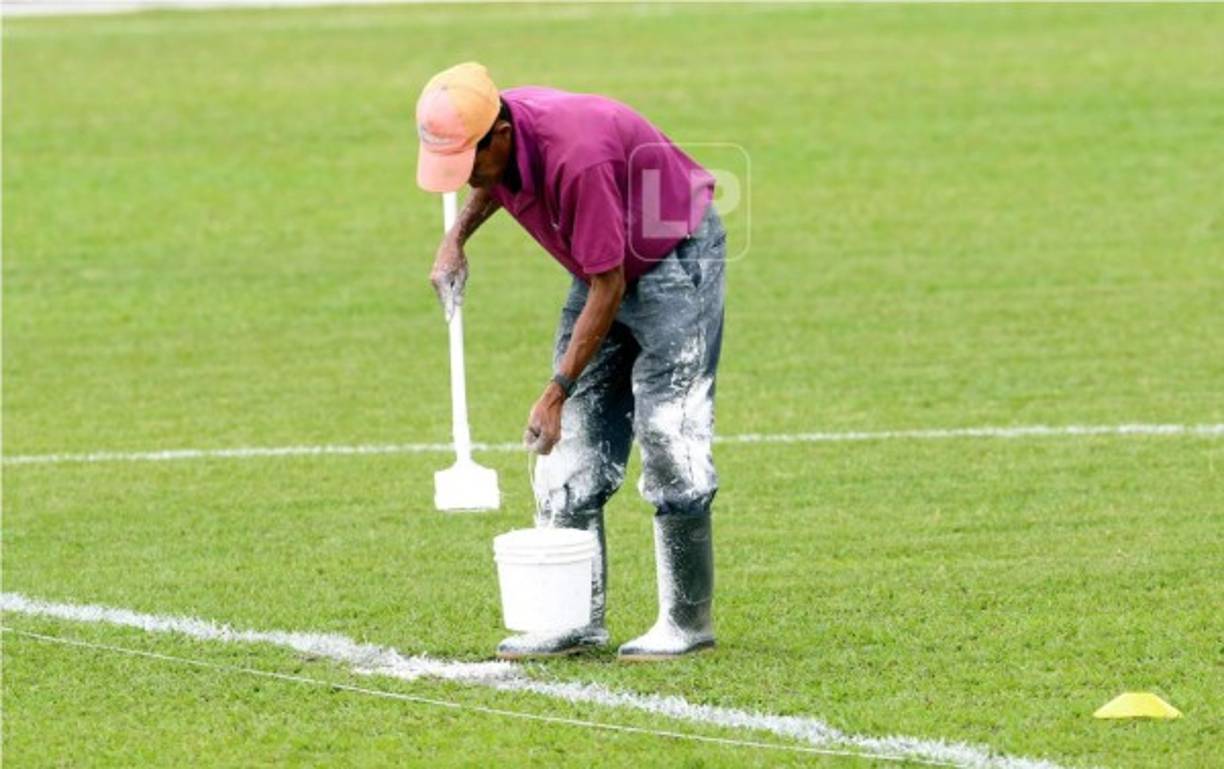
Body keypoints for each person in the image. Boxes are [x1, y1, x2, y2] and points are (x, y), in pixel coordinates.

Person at [415, 62, 726, 661]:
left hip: (676, 254)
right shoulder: (499, 130)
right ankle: (572, 619)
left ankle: (688, 621)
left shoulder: (575, 158)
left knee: (670, 433)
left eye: (468, 162)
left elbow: (608, 286)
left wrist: (555, 389)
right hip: (607, 260)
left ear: (499, 135)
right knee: (568, 451)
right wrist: (454, 239)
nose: (466, 176)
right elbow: (497, 185)